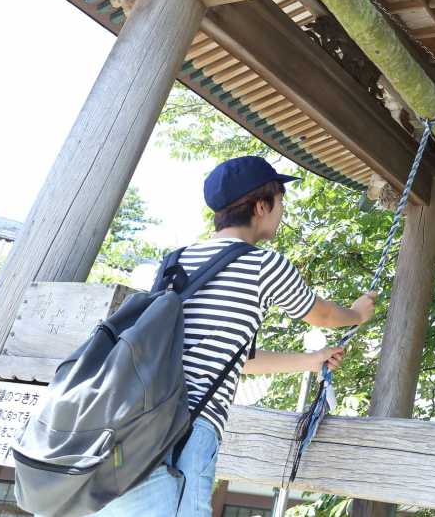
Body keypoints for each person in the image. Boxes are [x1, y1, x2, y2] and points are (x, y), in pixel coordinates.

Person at [90, 155, 376, 517]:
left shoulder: (175, 262)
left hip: (136, 420)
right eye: (280, 202)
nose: (281, 211)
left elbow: (231, 360)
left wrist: (311, 361)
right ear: (261, 206)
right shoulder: (263, 264)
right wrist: (357, 313)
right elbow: (320, 314)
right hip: (189, 428)